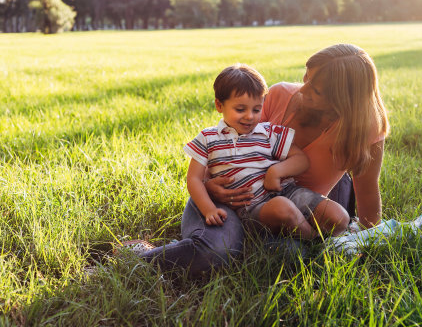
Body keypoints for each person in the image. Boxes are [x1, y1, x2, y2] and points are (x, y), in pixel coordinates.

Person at [122, 44, 389, 277]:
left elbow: (367, 193)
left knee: (288, 257)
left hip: (291, 213)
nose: (302, 89)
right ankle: (141, 254)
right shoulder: (281, 95)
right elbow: (228, 149)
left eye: (315, 90)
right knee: (216, 253)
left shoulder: (365, 129)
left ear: (343, 100)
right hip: (233, 197)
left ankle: (241, 241)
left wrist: (366, 241)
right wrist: (210, 186)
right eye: (306, 77)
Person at [183, 64, 349, 240]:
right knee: (282, 208)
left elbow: (301, 160)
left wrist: (276, 171)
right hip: (252, 206)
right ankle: (318, 245)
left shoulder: (268, 132)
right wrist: (209, 209)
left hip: (288, 191)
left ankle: (335, 237)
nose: (250, 116)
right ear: (219, 105)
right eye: (240, 109)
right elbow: (194, 178)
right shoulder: (208, 138)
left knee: (339, 216)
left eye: (257, 109)